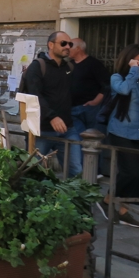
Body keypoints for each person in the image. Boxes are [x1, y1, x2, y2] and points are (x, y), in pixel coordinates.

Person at [100, 43, 139, 228]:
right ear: (129, 60)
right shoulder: (117, 77)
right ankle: (108, 200)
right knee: (128, 172)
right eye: (138, 61)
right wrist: (133, 71)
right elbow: (123, 90)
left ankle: (123, 210)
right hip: (120, 130)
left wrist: (137, 73)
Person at [24, 31, 82, 177]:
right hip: (42, 130)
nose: (68, 46)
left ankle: (74, 199)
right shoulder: (37, 67)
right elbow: (35, 96)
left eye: (70, 44)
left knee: (76, 171)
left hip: (67, 129)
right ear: (51, 45)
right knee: (36, 172)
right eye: (63, 43)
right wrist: (52, 117)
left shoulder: (69, 67)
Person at [69, 38, 109, 132]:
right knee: (76, 138)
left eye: (70, 46)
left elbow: (106, 85)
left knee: (93, 137)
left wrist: (95, 101)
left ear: (78, 48)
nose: (67, 48)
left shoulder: (94, 64)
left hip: (90, 109)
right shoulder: (68, 65)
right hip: (72, 109)